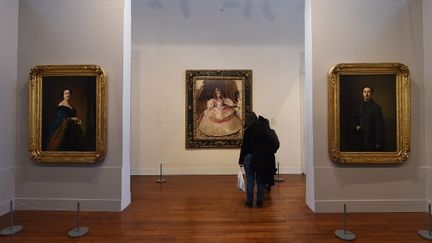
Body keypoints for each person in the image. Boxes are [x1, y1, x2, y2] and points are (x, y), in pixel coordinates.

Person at [252, 116, 279, 204]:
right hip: (269, 157)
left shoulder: (256, 132)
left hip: (258, 157)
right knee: (267, 173)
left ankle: (260, 198)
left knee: (259, 176)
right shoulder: (271, 132)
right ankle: (261, 197)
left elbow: (251, 144)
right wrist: (272, 150)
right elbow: (276, 143)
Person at [354, 85, 385, 151]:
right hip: (359, 137)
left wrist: (378, 141)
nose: (366, 94)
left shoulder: (376, 107)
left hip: (371, 138)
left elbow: (379, 126)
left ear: (371, 93)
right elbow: (356, 118)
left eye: (368, 92)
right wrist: (357, 125)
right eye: (364, 92)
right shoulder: (359, 106)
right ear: (362, 93)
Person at [238, 111, 259, 208]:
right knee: (260, 179)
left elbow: (244, 147)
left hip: (248, 157)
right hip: (259, 157)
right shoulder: (260, 130)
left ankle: (250, 201)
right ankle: (259, 201)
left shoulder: (247, 131)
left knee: (250, 179)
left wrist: (240, 160)